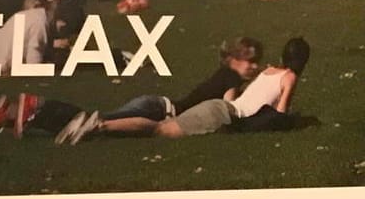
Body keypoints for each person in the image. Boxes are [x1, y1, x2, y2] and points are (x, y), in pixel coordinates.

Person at [73, 37, 308, 141]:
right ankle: (100, 126)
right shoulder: (290, 77)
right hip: (223, 114)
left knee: (161, 127)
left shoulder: (268, 72)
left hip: (219, 107)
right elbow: (280, 114)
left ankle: (100, 126)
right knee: (159, 130)